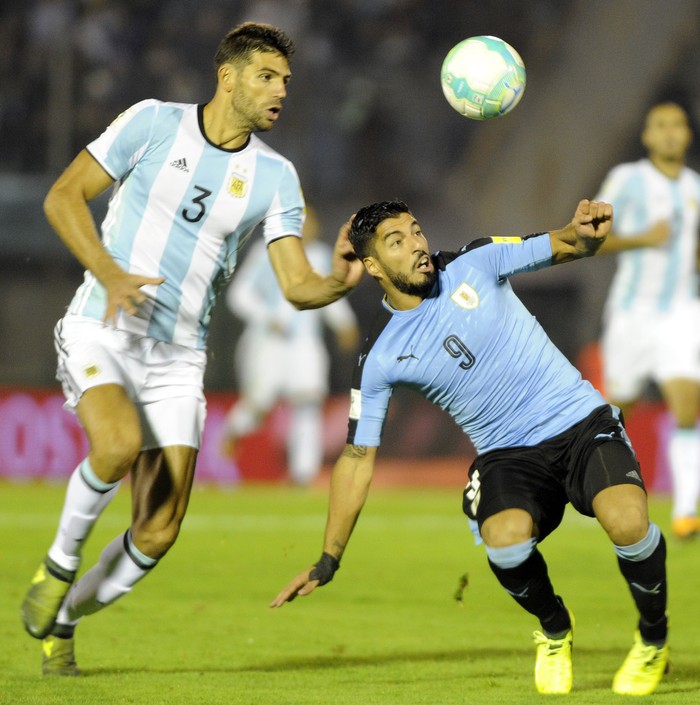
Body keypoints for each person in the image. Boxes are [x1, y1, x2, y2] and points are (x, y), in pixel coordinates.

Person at [20, 22, 363, 676]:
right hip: (104, 326)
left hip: (178, 357)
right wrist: (111, 272)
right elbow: (63, 196)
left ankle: (64, 618)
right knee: (115, 445)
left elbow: (296, 285)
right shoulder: (151, 123)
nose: (280, 90)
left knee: (157, 530)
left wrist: (338, 281)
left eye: (286, 80)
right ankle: (59, 565)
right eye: (267, 76)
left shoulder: (275, 176)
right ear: (227, 77)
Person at [271, 199, 670, 696]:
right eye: (397, 241)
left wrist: (586, 233)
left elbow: (569, 243)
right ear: (372, 266)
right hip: (507, 453)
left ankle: (653, 637)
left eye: (416, 231)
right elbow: (356, 458)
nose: (417, 244)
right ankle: (554, 629)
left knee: (629, 522)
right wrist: (329, 558)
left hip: (579, 422)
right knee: (505, 543)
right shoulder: (381, 354)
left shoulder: (474, 261)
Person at [595, 101, 700, 540]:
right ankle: (593, 488)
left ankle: (686, 511)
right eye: (661, 126)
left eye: (677, 125)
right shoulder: (628, 179)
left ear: (688, 134)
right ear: (647, 136)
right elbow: (592, 238)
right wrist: (643, 238)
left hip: (682, 311)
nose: (670, 133)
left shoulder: (696, 185)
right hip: (631, 313)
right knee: (615, 413)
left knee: (687, 410)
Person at [221, 205, 359, 485]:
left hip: (306, 344)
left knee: (307, 403)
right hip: (269, 342)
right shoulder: (267, 252)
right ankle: (232, 432)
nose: (307, 228)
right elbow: (239, 295)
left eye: (311, 223)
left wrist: (344, 324)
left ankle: (302, 476)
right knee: (260, 404)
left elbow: (329, 293)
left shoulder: (320, 255)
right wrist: (266, 317)